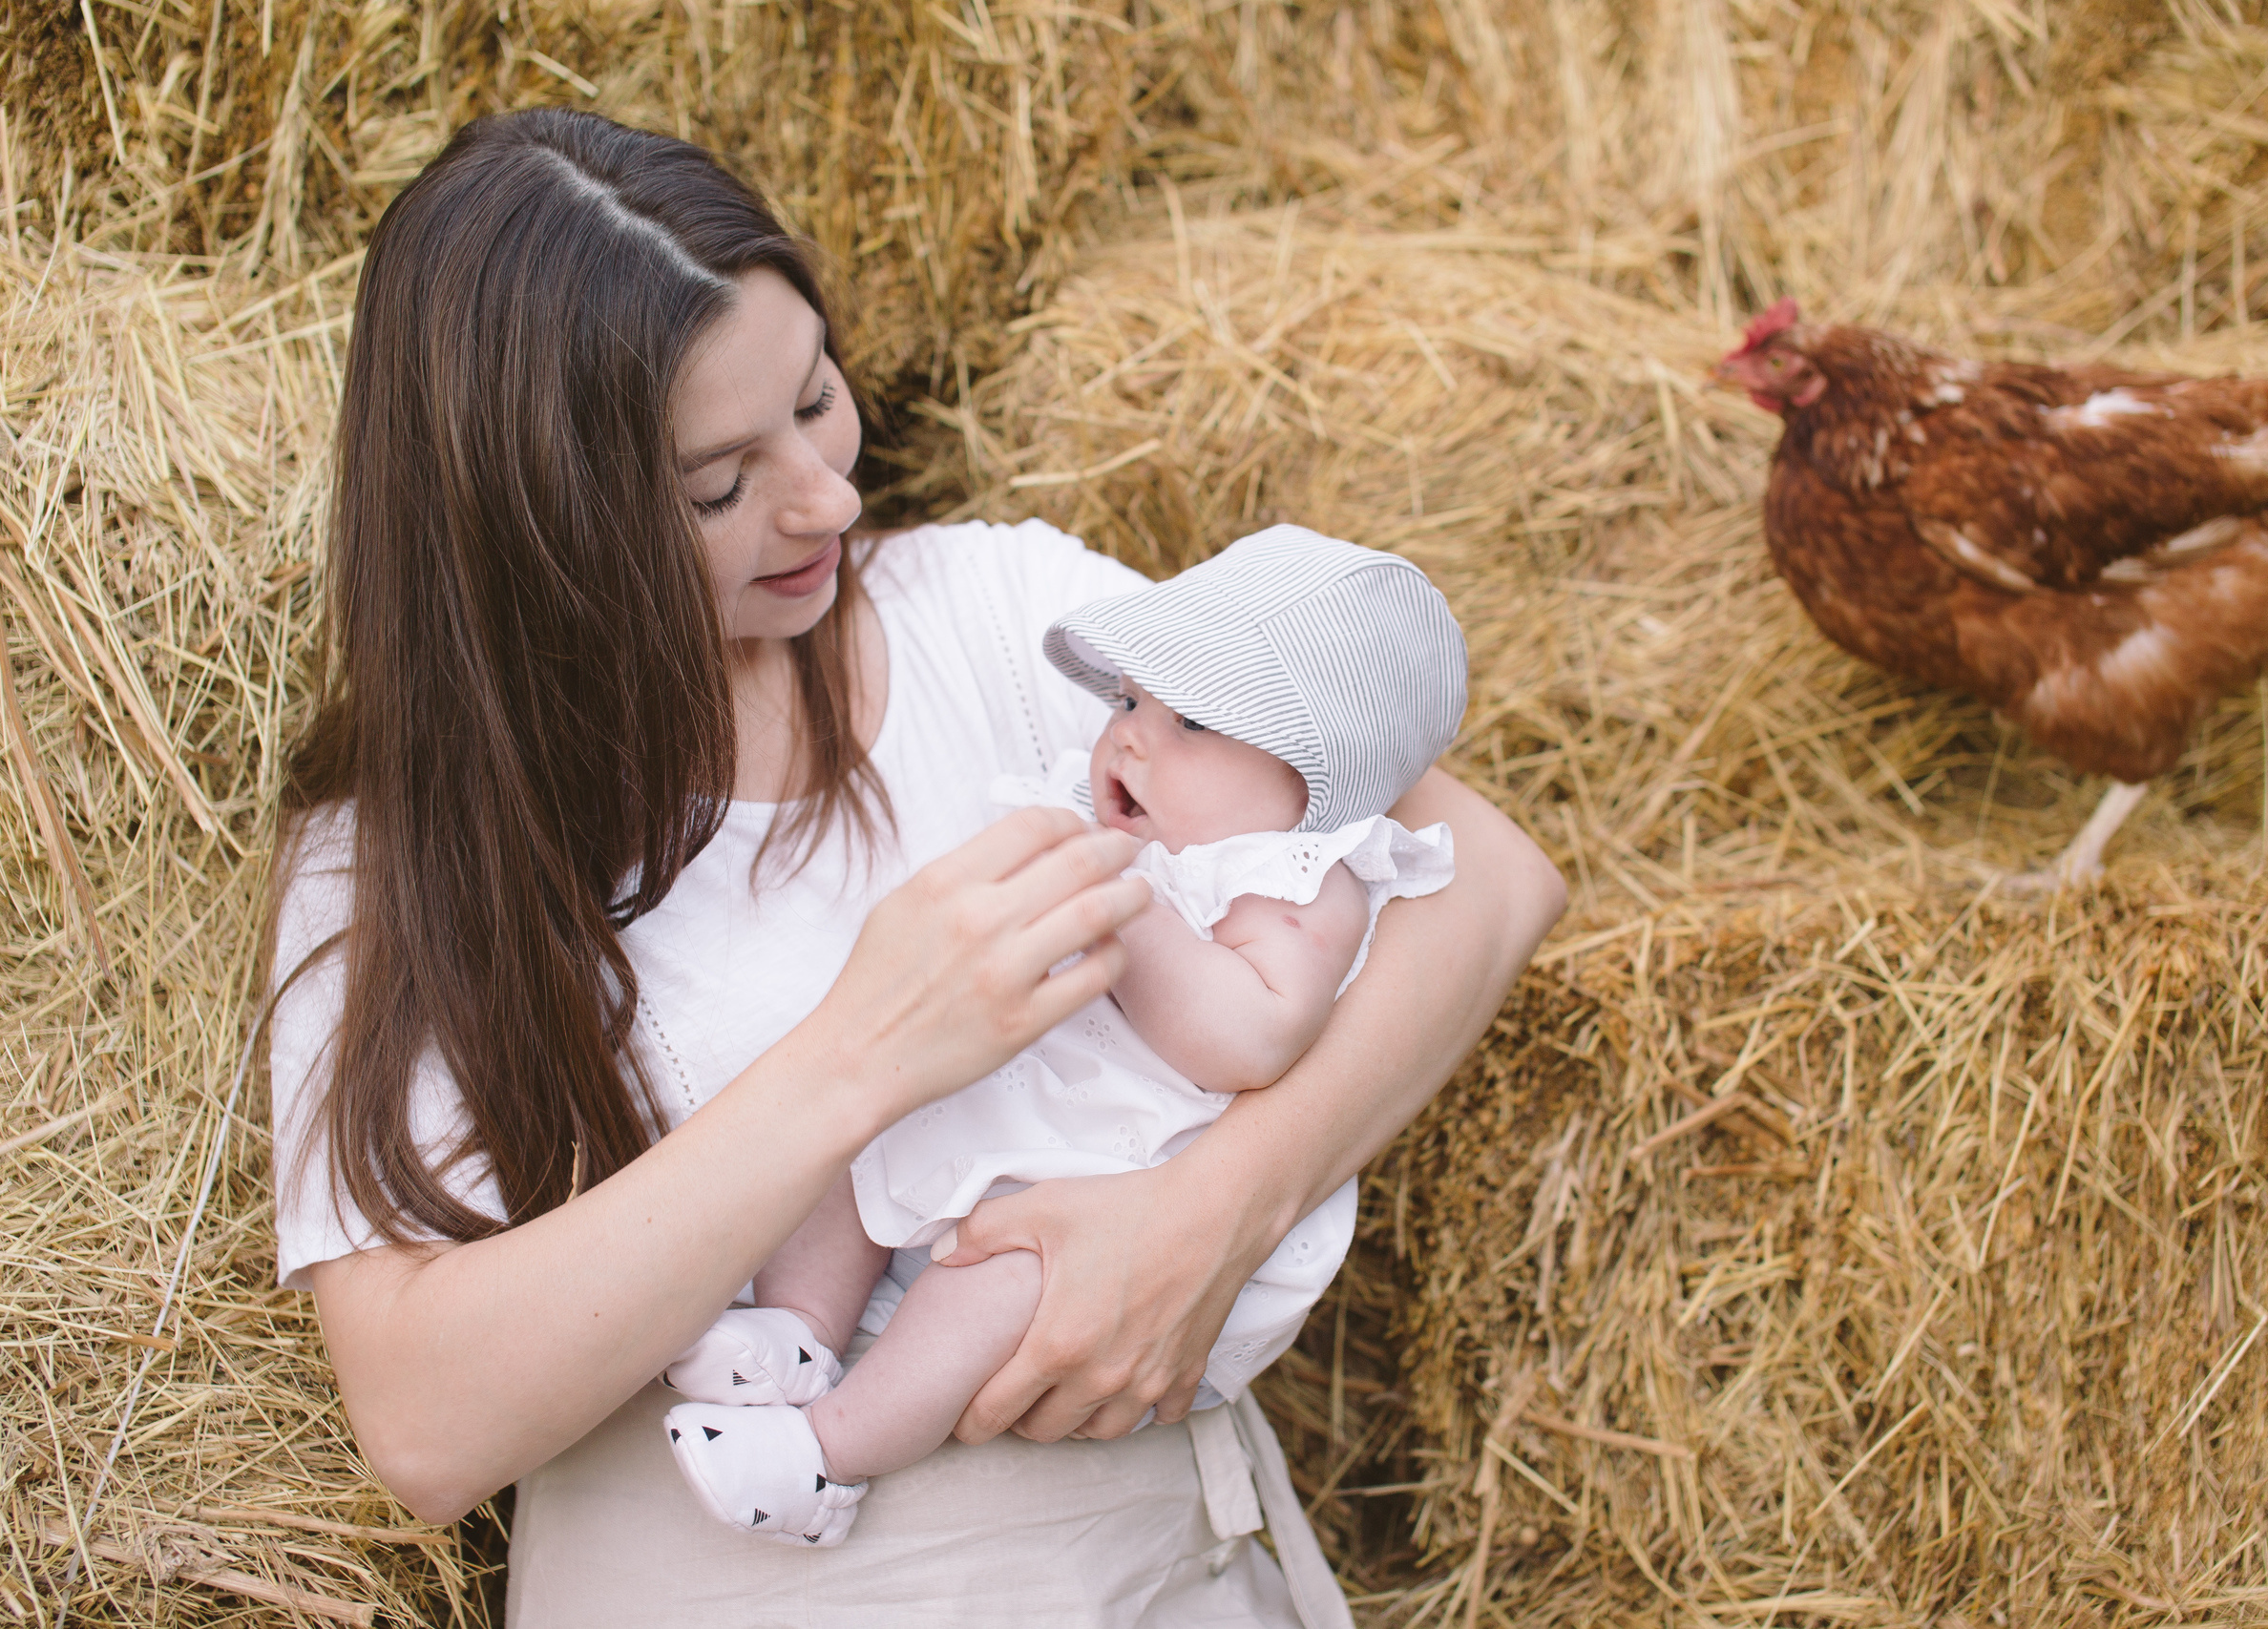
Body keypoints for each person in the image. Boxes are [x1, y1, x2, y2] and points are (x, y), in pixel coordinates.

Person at [267, 107, 1564, 1627]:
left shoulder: (1009, 619)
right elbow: (424, 1425)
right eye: (717, 485)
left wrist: (1216, 1210)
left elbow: (1478, 865)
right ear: (540, 523)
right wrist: (862, 1056)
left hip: (1149, 1579)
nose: (824, 498)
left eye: (816, 398)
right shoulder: (401, 854)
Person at [659, 527, 1469, 1546]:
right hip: (1027, 1104)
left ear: (1318, 776)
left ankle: (825, 1455)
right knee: (857, 1140)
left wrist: (1126, 901)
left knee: (993, 1289)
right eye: (1128, 702)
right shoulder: (1126, 826)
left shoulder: (1303, 883)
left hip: (1118, 1174)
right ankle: (796, 1332)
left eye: (1193, 723)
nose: (1129, 737)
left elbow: (1251, 1040)